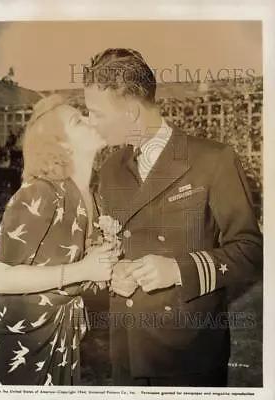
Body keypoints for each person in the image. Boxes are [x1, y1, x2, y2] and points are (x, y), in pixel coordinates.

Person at [82, 48, 263, 386]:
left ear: (132, 113)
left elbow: (251, 252)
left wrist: (178, 270)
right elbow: (114, 241)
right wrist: (113, 272)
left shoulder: (213, 160)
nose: (90, 122)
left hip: (188, 354)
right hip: (127, 351)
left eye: (96, 113)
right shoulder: (110, 169)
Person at [0, 94, 118, 385]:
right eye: (79, 121)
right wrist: (84, 270)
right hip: (16, 341)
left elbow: (75, 269)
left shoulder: (92, 196)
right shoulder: (40, 192)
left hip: (59, 337)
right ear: (61, 145)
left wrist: (109, 271)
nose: (91, 120)